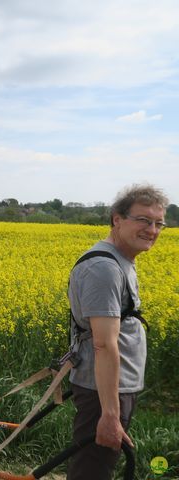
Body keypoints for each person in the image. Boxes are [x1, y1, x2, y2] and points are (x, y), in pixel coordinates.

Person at [66, 184, 168, 480]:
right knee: (93, 469)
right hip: (104, 391)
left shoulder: (121, 261)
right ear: (117, 220)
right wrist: (110, 414)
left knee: (99, 464)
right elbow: (104, 345)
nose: (152, 230)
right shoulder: (104, 268)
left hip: (113, 388)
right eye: (143, 220)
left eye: (158, 223)